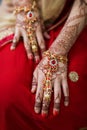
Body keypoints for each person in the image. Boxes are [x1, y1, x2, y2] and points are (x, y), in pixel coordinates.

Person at [0, 0, 87, 130]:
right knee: (8, 91)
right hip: (19, 12)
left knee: (68, 95)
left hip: (75, 17)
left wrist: (58, 52)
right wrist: (24, 6)